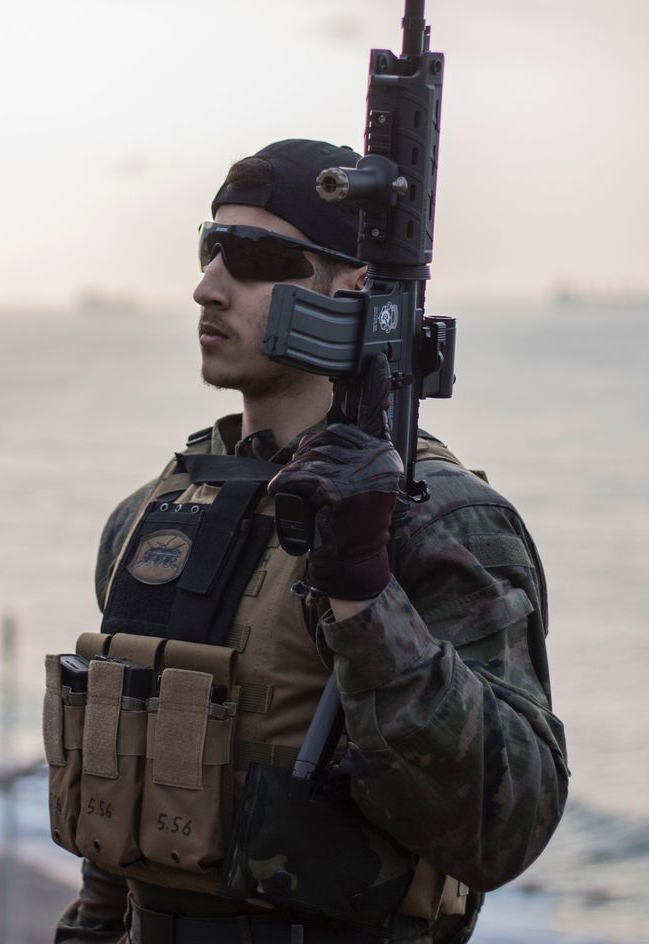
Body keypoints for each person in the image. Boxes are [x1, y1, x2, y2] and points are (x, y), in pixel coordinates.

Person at [50, 139, 568, 944]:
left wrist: (363, 592)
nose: (208, 286)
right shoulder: (156, 512)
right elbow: (126, 795)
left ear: (352, 292)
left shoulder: (435, 520)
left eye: (254, 257)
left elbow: (506, 826)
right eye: (209, 247)